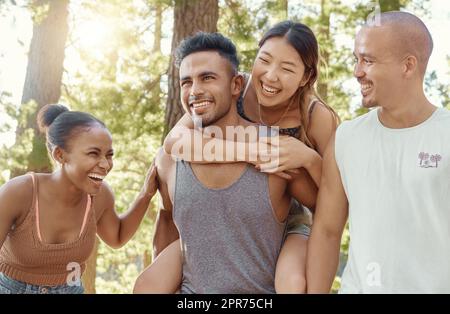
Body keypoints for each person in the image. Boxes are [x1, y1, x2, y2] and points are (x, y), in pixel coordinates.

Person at [136, 21, 339, 294]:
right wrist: (250, 151)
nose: (270, 76)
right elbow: (174, 142)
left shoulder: (316, 117)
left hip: (292, 217)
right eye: (264, 60)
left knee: (292, 283)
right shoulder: (237, 89)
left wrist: (308, 158)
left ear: (305, 77)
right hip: (234, 207)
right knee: (148, 284)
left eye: (287, 68)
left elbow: (333, 194)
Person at [306, 11, 450, 293]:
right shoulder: (346, 138)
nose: (357, 71)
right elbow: (326, 231)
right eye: (356, 60)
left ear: (407, 66)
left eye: (368, 61)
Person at [0, 104, 158, 294]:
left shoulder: (100, 196)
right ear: (60, 155)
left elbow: (116, 237)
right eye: (93, 153)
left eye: (109, 155)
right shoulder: (19, 192)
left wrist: (146, 194)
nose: (105, 164)